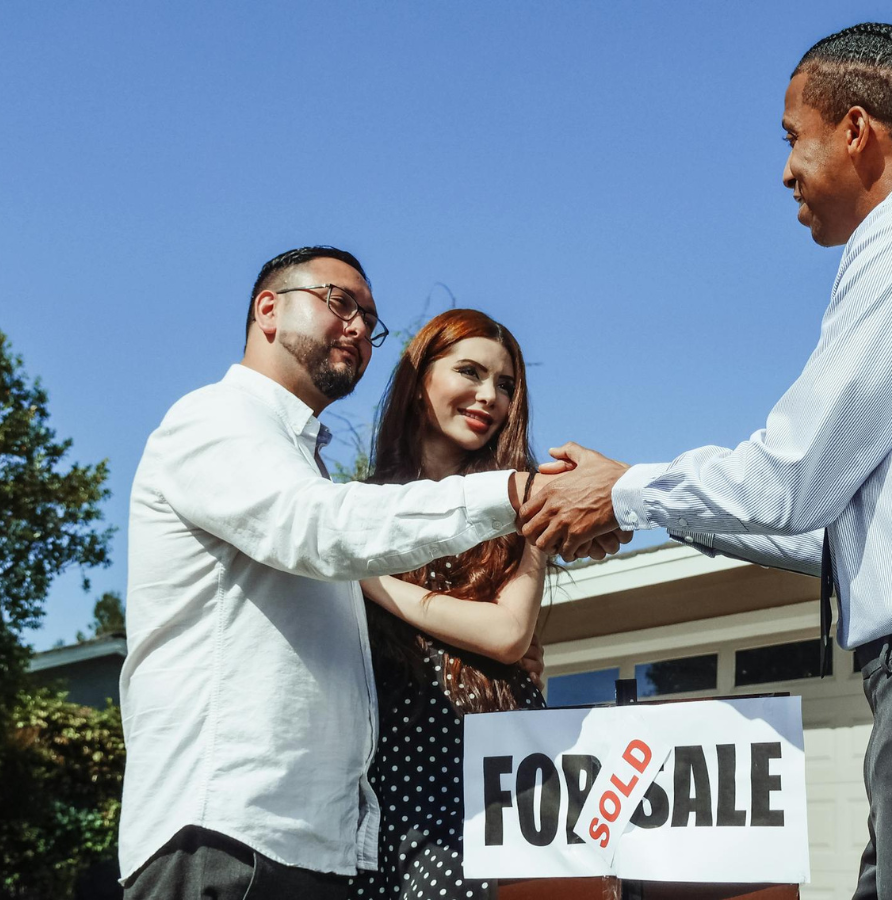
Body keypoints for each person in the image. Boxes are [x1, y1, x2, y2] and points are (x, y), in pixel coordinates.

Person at [520, 23, 892, 900]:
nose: (784, 170)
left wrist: (625, 494)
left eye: (791, 138)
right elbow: (835, 536)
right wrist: (654, 507)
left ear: (855, 130)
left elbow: (792, 476)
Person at [119, 248, 618, 899]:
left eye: (371, 319)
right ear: (267, 309)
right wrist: (522, 494)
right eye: (340, 302)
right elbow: (322, 530)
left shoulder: (304, 463)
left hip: (314, 846)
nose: (358, 328)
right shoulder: (215, 421)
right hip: (228, 833)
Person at [349, 309, 550, 900]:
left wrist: (369, 581)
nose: (490, 396)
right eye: (470, 371)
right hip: (384, 786)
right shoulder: (353, 510)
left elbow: (509, 634)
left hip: (493, 780)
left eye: (506, 385)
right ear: (419, 381)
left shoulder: (524, 509)